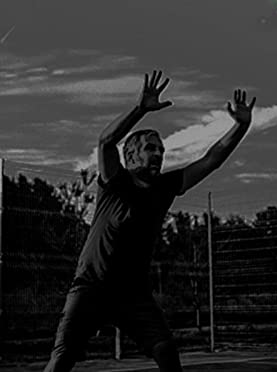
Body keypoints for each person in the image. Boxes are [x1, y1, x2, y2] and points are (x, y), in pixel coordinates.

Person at [43, 70, 256, 372]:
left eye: (161, 151)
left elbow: (211, 158)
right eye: (150, 148)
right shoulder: (114, 181)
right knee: (61, 359)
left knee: (167, 352)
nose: (158, 154)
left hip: (133, 294)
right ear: (130, 156)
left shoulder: (165, 187)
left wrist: (241, 126)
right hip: (91, 286)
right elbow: (105, 140)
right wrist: (140, 108)